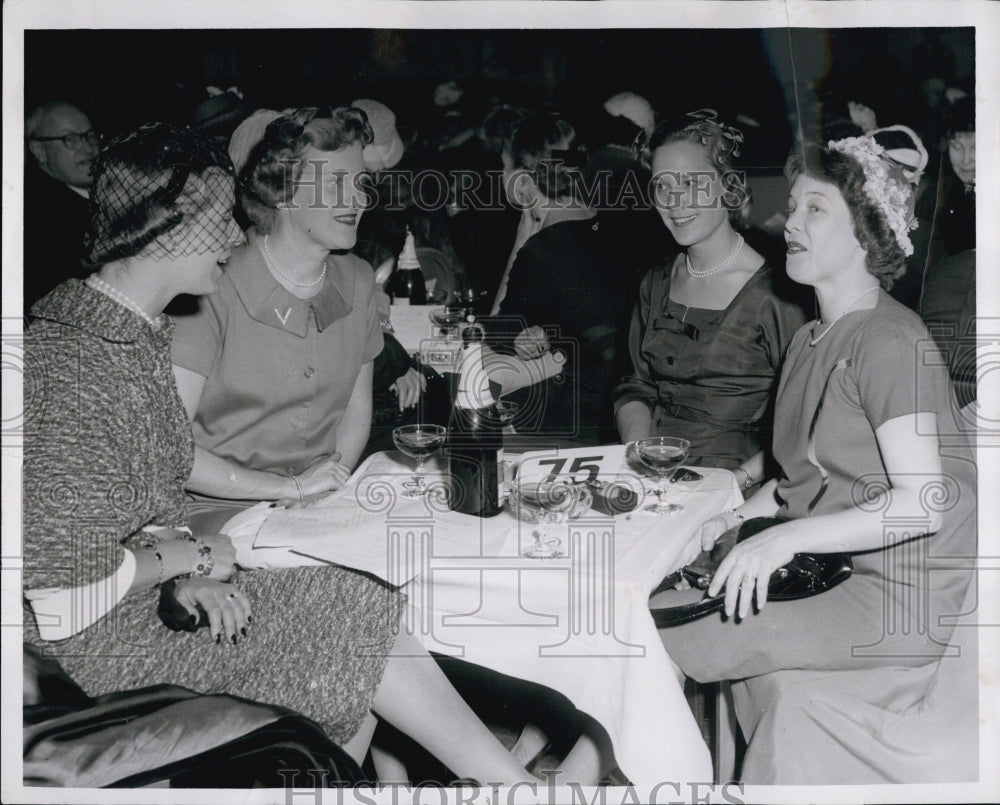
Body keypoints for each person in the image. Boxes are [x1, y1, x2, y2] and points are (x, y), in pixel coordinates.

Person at [22, 121, 545, 786]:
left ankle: (498, 783)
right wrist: (196, 557)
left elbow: (134, 500)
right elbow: (62, 590)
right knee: (341, 617)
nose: (240, 235)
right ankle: (509, 785)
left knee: (352, 603)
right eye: (222, 219)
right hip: (99, 648)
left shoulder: (132, 331)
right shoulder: (73, 357)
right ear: (169, 227)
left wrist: (186, 568)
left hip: (159, 598)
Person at [652, 137, 976, 781]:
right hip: (832, 569)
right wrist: (730, 517)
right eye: (793, 206)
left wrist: (782, 540)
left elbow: (923, 504)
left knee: (661, 626)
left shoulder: (889, 338)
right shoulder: (810, 336)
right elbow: (797, 478)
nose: (789, 222)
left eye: (815, 209)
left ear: (868, 232)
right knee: (657, 592)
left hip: (896, 597)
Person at [171, 106, 383, 529]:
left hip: (317, 506)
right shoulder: (212, 284)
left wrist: (321, 486)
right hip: (218, 511)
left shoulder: (358, 279)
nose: (358, 200)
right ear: (283, 191)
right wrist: (287, 490)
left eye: (360, 183)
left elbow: (356, 413)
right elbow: (169, 449)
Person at [614, 110, 807, 489]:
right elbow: (634, 385)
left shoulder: (779, 295)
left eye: (691, 183)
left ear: (727, 186)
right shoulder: (655, 280)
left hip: (739, 489)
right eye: (662, 186)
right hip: (655, 480)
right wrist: (642, 455)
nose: (675, 202)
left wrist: (733, 483)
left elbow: (805, 422)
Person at [486, 111, 633, 445]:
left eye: (505, 167)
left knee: (470, 383)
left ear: (524, 179)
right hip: (615, 402)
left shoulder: (542, 250)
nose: (502, 175)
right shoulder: (602, 223)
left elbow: (495, 333)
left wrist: (521, 240)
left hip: (577, 418)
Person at [23, 100, 101, 309]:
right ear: (39, 150)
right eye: (71, 139)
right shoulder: (35, 215)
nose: (88, 148)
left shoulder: (110, 188)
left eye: (90, 135)